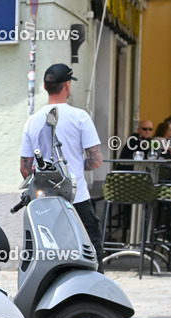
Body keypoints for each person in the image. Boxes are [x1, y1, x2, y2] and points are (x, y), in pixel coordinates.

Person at [20, 63, 104, 271]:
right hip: (76, 196)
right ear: (67, 85)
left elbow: (24, 167)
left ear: (45, 86)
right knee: (91, 253)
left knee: (48, 256)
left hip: (44, 200)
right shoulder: (80, 117)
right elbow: (96, 161)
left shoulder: (32, 121)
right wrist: (73, 165)